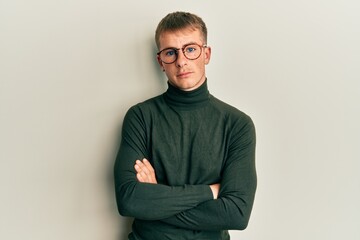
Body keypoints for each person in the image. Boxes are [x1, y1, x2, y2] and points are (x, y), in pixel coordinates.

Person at [114, 11, 257, 240]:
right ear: (161, 61)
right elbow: (129, 200)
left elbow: (237, 214)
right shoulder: (140, 116)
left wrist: (156, 199)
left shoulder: (237, 125)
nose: (181, 61)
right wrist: (209, 192)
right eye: (170, 52)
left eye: (190, 49)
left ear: (206, 54)